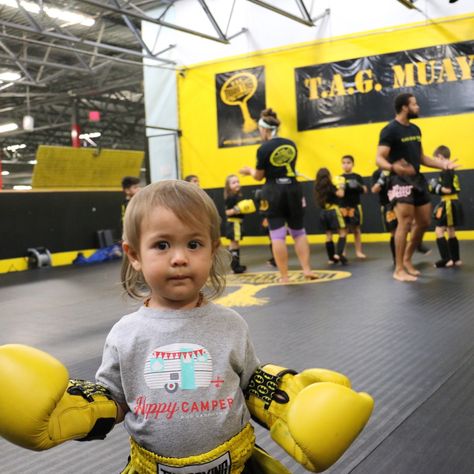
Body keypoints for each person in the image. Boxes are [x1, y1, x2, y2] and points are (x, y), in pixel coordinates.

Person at [0, 180, 374, 474]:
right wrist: (68, 412)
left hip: (236, 465)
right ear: (133, 255)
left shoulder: (231, 324)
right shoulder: (126, 334)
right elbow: (113, 398)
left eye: (193, 244)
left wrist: (291, 402)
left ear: (212, 250)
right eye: (161, 245)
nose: (179, 258)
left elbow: (248, 384)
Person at [375, 92, 459, 282]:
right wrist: (392, 167)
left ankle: (407, 259)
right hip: (399, 179)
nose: (418, 107)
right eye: (414, 104)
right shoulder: (389, 130)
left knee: (423, 223)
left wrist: (444, 165)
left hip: (417, 179)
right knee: (404, 222)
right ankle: (398, 269)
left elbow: (422, 158)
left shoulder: (415, 130)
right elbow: (379, 158)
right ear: (405, 107)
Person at [240, 108, 317, 283]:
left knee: (277, 234)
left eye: (260, 130)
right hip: (293, 188)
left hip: (273, 190)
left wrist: (249, 171)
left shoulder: (263, 148)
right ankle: (307, 269)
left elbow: (259, 176)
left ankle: (284, 276)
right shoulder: (291, 144)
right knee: (299, 231)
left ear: (265, 129)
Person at [429, 145, 463, 268]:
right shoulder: (450, 171)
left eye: (435, 159)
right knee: (451, 231)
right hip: (454, 202)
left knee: (438, 231)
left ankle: (446, 259)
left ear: (440, 157)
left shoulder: (446, 171)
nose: (435, 162)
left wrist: (435, 186)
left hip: (448, 202)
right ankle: (456, 259)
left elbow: (447, 190)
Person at [314, 168, 348, 265]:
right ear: (328, 176)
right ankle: (338, 253)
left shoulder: (318, 188)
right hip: (334, 211)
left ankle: (331, 259)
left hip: (323, 212)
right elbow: (341, 194)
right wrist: (341, 185)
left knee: (328, 235)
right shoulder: (331, 186)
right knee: (342, 232)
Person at [338, 155, 368, 259]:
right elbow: (337, 193)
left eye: (348, 163)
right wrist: (342, 187)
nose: (346, 165)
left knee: (356, 229)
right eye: (344, 163)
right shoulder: (339, 178)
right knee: (343, 230)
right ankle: (342, 252)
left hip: (354, 206)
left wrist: (358, 186)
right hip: (343, 206)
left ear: (353, 164)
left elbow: (365, 190)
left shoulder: (357, 177)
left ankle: (358, 251)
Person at [224, 174, 252, 274]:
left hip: (236, 223)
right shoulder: (231, 197)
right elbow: (227, 212)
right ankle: (235, 267)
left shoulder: (236, 196)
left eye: (238, 182)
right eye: (234, 182)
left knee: (235, 244)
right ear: (228, 186)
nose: (237, 184)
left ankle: (236, 265)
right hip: (233, 223)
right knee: (234, 244)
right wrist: (238, 209)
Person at [371, 168, 397, 264]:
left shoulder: (397, 169)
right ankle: (396, 259)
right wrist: (381, 180)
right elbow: (374, 190)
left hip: (402, 203)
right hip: (388, 206)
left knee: (406, 230)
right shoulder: (377, 173)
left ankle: (415, 248)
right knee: (394, 232)